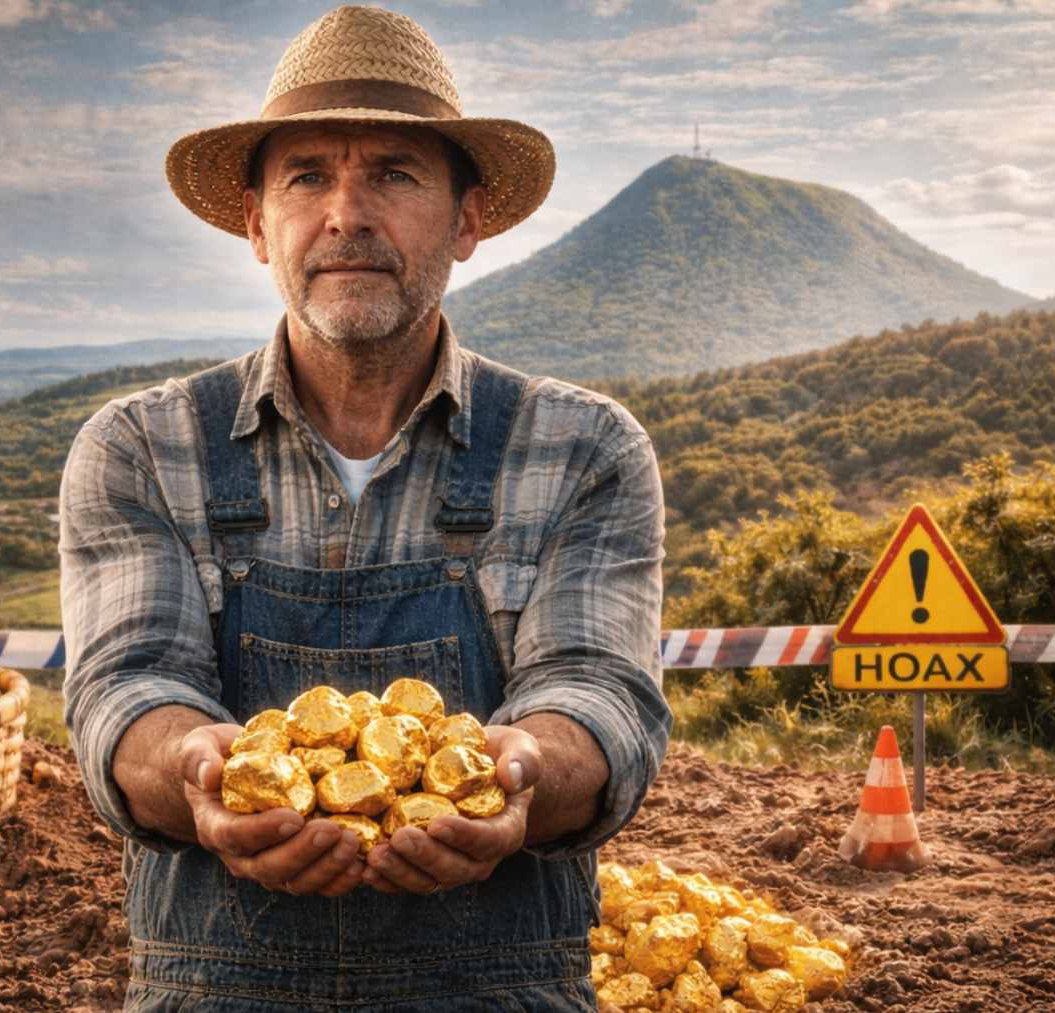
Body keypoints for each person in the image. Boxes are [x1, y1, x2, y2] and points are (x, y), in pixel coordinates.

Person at [59, 6, 671, 1009]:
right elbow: (126, 687)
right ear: (258, 224)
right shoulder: (140, 447)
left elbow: (599, 692)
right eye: (307, 175)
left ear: (467, 219)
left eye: (393, 172)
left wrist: (517, 771)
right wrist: (197, 768)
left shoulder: (583, 448)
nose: (348, 211)